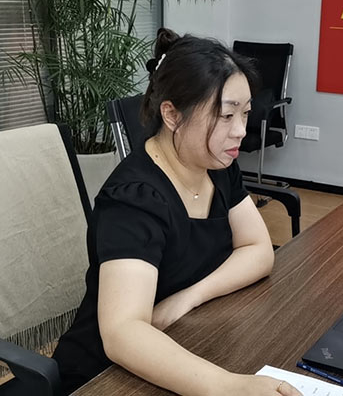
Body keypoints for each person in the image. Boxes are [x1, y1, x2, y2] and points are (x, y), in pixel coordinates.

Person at [53, 28, 301, 396]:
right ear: (171, 114)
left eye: (245, 113)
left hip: (188, 341)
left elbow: (258, 250)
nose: (240, 131)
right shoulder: (134, 200)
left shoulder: (217, 165)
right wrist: (229, 387)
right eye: (226, 115)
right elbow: (122, 333)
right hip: (105, 377)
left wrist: (187, 298)